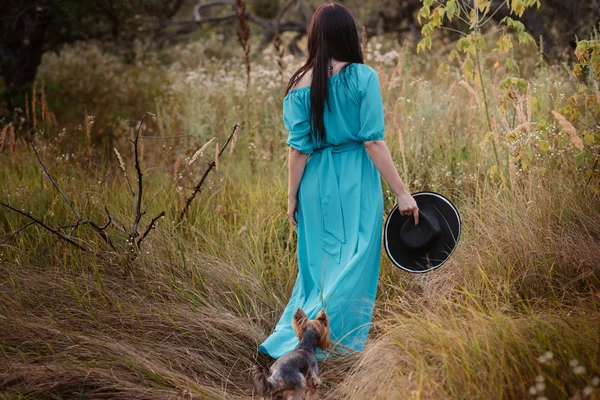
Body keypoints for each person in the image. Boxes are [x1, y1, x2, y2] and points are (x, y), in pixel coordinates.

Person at [258, 2, 419, 361]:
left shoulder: (299, 83)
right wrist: (402, 193)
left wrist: (292, 196)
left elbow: (297, 150)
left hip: (314, 183)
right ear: (349, 34)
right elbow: (373, 142)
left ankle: (298, 343)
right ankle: (335, 346)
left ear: (314, 36)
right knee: (356, 261)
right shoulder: (363, 77)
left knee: (318, 269)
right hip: (356, 181)